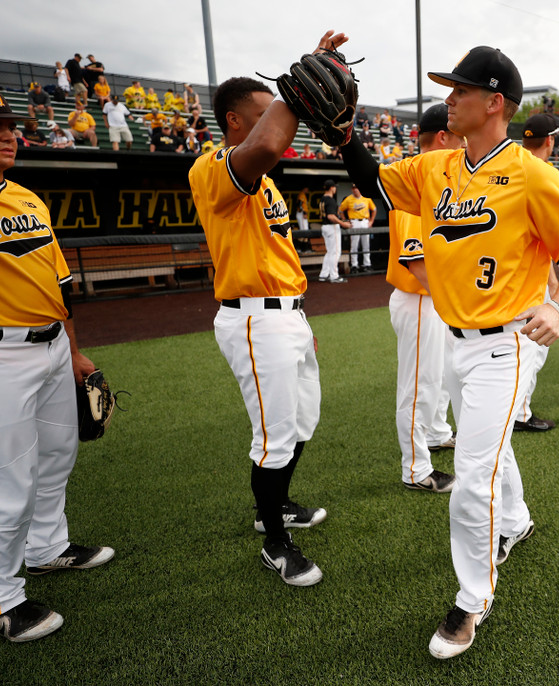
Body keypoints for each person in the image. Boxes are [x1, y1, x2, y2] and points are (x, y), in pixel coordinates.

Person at [338, 45, 559, 659]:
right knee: (490, 448)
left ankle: (472, 600)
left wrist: (558, 304)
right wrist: (345, 134)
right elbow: (374, 181)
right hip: (454, 340)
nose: (449, 99)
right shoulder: (436, 168)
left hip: (505, 344)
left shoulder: (534, 175)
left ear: (494, 102)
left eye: (460, 90)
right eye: (450, 91)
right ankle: (518, 521)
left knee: (472, 475)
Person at [0, 78, 114, 644]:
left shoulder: (26, 197)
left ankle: (47, 548)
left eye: (13, 126)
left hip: (53, 345)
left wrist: (75, 350)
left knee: (56, 458)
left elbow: (59, 285)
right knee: (1, 484)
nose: (10, 136)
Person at [187, 34, 345, 585]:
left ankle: (270, 510)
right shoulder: (213, 168)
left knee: (302, 421)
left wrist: (300, 317)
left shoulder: (264, 184)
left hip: (285, 316)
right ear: (235, 122)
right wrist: (294, 87)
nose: (280, 119)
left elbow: (278, 254)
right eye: (264, 113)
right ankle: (275, 540)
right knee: (275, 434)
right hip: (253, 319)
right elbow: (270, 145)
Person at [385, 104, 460, 493]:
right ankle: (415, 469)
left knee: (442, 374)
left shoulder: (438, 178)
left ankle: (436, 432)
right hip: (419, 298)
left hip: (434, 299)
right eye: (459, 138)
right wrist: (455, 300)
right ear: (443, 138)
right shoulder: (416, 180)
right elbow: (417, 263)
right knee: (419, 385)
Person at [515, 112, 559, 433]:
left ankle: (516, 410)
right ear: (550, 141)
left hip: (504, 277)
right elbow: (557, 239)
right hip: (530, 280)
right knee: (533, 350)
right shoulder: (546, 174)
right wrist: (556, 287)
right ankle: (518, 413)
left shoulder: (507, 166)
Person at [339, 183, 377, 273]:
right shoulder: (348, 199)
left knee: (366, 245)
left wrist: (371, 221)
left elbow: (374, 209)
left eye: (356, 188)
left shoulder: (366, 198)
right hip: (354, 222)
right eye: (353, 188)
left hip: (364, 221)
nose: (355, 189)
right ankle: (354, 265)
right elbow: (340, 210)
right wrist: (345, 221)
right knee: (354, 245)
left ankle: (367, 264)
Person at [318, 179, 348, 283]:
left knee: (330, 252)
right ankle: (334, 276)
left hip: (324, 227)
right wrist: (343, 223)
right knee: (335, 252)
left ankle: (324, 274)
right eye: (334, 187)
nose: (335, 188)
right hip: (331, 227)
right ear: (331, 188)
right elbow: (331, 216)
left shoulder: (322, 199)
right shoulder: (330, 200)